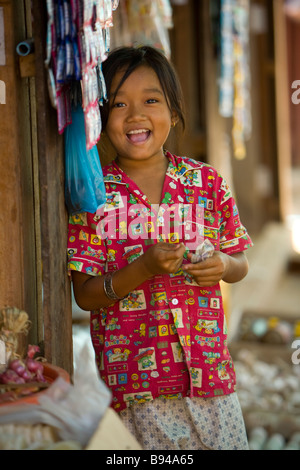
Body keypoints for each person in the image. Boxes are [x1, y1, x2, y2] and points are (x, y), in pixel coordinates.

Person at [67, 45, 253, 450]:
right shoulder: (92, 196)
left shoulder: (207, 183)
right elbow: (84, 295)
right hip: (136, 390)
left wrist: (222, 264)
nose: (136, 115)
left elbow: (240, 262)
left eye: (151, 100)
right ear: (99, 116)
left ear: (173, 110)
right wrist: (144, 268)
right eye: (118, 104)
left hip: (211, 381)